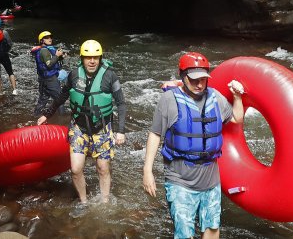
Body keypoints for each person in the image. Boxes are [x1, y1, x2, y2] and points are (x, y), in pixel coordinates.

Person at [142, 51, 245, 239]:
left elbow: (237, 118)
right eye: (194, 80)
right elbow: (155, 134)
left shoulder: (215, 97)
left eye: (203, 80)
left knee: (213, 229)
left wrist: (237, 97)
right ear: (183, 77)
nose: (199, 84)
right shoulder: (168, 100)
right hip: (180, 179)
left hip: (210, 179)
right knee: (184, 234)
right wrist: (147, 171)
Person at [37, 39, 128, 204]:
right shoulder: (73, 75)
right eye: (88, 57)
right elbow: (62, 96)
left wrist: (121, 130)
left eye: (95, 57)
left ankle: (105, 202)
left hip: (102, 128)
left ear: (100, 58)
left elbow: (121, 103)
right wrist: (47, 114)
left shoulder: (110, 75)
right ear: (82, 58)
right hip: (79, 127)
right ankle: (84, 202)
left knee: (102, 168)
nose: (92, 61)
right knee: (76, 169)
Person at [30, 30, 65, 116]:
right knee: (60, 99)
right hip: (50, 80)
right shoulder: (44, 51)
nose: (49, 39)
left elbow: (48, 62)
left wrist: (60, 57)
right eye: (46, 38)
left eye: (50, 37)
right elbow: (49, 64)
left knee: (43, 99)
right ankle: (62, 120)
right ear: (42, 41)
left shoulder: (44, 50)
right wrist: (57, 55)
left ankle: (36, 115)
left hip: (43, 79)